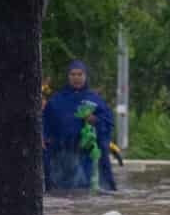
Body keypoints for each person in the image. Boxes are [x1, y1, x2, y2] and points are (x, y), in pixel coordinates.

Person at [43, 60, 116, 191]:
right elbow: (44, 123)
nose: (76, 78)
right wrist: (44, 139)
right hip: (60, 157)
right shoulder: (57, 100)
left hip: (85, 158)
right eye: (73, 74)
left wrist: (95, 120)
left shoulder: (94, 99)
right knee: (59, 193)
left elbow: (108, 122)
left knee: (83, 191)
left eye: (80, 74)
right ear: (68, 76)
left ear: (85, 76)